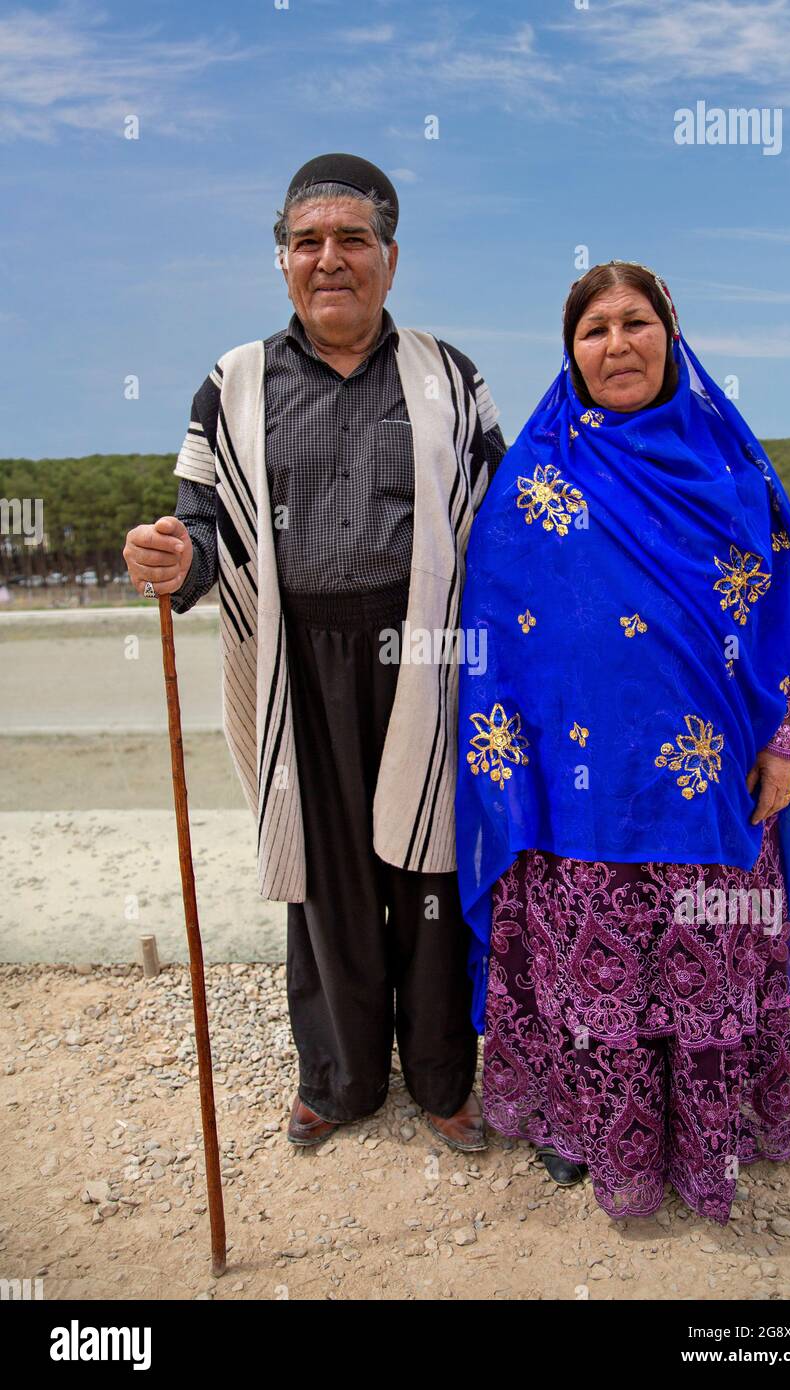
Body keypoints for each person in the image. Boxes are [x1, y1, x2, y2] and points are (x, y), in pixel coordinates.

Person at [123, 153, 508, 1152]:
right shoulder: (234, 383)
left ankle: (438, 1079)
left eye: (350, 239)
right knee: (325, 875)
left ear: (389, 256)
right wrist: (173, 559)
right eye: (306, 241)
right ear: (282, 259)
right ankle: (338, 1082)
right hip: (297, 657)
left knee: (427, 869)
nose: (327, 258)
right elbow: (203, 529)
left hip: (425, 653)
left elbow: (501, 528)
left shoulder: (447, 374)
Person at [456, 261, 790, 1221]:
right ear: (571, 348)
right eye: (594, 329)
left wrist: (788, 743)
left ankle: (705, 1148)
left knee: (704, 967)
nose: (617, 344)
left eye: (636, 323)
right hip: (573, 797)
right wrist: (510, 771)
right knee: (592, 977)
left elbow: (788, 620)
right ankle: (594, 1139)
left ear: (672, 335)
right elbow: (499, 632)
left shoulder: (733, 473)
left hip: (710, 789)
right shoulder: (534, 476)